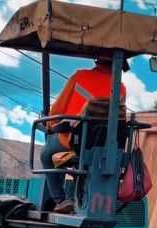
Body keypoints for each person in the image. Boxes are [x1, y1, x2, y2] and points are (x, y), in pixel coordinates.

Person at [41, 55, 127, 213]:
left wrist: (50, 125)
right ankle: (79, 197)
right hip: (107, 145)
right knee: (80, 160)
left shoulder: (80, 77)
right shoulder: (121, 88)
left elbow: (57, 109)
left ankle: (60, 201)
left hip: (75, 141)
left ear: (97, 60)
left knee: (46, 155)